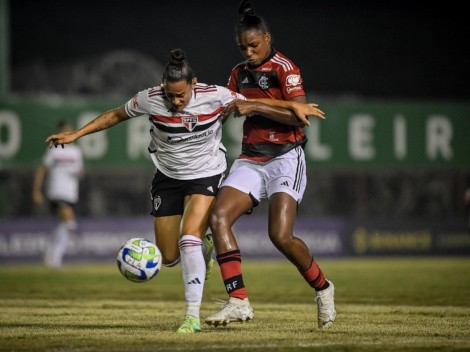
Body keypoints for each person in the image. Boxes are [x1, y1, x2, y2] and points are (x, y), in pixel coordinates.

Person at [45, 48, 325, 333]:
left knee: (188, 236)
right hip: (167, 177)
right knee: (168, 257)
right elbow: (115, 115)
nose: (176, 101)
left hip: (206, 174)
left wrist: (293, 107)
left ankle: (191, 316)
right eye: (170, 96)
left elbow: (254, 102)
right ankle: (205, 246)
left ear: (193, 84)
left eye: (181, 95)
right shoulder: (149, 99)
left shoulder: (215, 95)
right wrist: (76, 134)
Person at [205, 0, 336, 330]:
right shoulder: (238, 73)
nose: (248, 52)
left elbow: (300, 114)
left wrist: (254, 106)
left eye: (253, 45)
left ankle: (323, 288)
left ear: (267, 37)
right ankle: (239, 301)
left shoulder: (284, 68)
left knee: (280, 236)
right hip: (251, 158)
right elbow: (231, 106)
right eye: (242, 47)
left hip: (285, 158)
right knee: (218, 217)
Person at [33, 120, 84, 269]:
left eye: (70, 131)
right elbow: (41, 170)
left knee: (65, 225)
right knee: (69, 220)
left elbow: (80, 171)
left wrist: (78, 173)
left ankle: (52, 254)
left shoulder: (76, 151)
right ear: (60, 133)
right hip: (56, 191)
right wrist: (36, 191)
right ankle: (54, 258)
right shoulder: (54, 150)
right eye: (65, 131)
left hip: (71, 193)